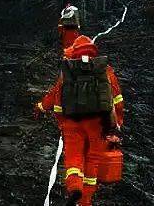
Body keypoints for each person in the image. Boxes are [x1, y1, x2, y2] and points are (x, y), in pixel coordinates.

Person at [35, 36, 124, 206]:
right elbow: (117, 101)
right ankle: (85, 201)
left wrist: (56, 118)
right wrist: (116, 125)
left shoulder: (68, 71)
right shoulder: (105, 70)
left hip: (71, 123)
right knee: (92, 160)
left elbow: (56, 98)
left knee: (74, 159)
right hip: (97, 124)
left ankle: (75, 187)